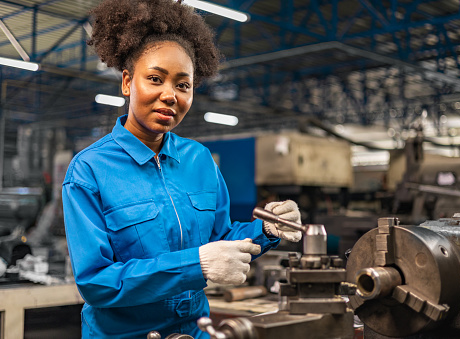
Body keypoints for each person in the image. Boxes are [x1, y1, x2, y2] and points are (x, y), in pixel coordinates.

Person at [61, 0, 302, 338]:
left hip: (193, 331)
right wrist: (197, 265)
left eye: (183, 84)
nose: (170, 95)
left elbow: (219, 239)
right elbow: (96, 282)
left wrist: (268, 230)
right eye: (155, 79)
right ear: (128, 82)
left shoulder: (199, 159)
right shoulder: (90, 170)